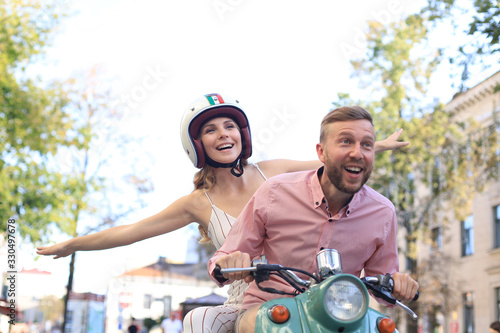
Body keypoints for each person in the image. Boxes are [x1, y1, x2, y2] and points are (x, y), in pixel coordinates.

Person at [36, 94, 408, 333]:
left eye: (230, 125)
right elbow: (134, 231)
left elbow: (330, 163)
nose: (223, 134)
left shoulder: (271, 173)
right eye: (211, 130)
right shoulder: (198, 202)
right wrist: (75, 244)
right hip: (252, 300)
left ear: (242, 134)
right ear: (197, 144)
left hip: (323, 296)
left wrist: (380, 146)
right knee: (199, 321)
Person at [209, 105, 419, 333]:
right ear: (321, 153)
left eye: (366, 144)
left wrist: (399, 284)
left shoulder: (383, 212)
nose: (358, 153)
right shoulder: (274, 192)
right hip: (270, 308)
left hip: (339, 319)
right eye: (346, 141)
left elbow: (383, 282)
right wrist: (229, 263)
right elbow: (224, 257)